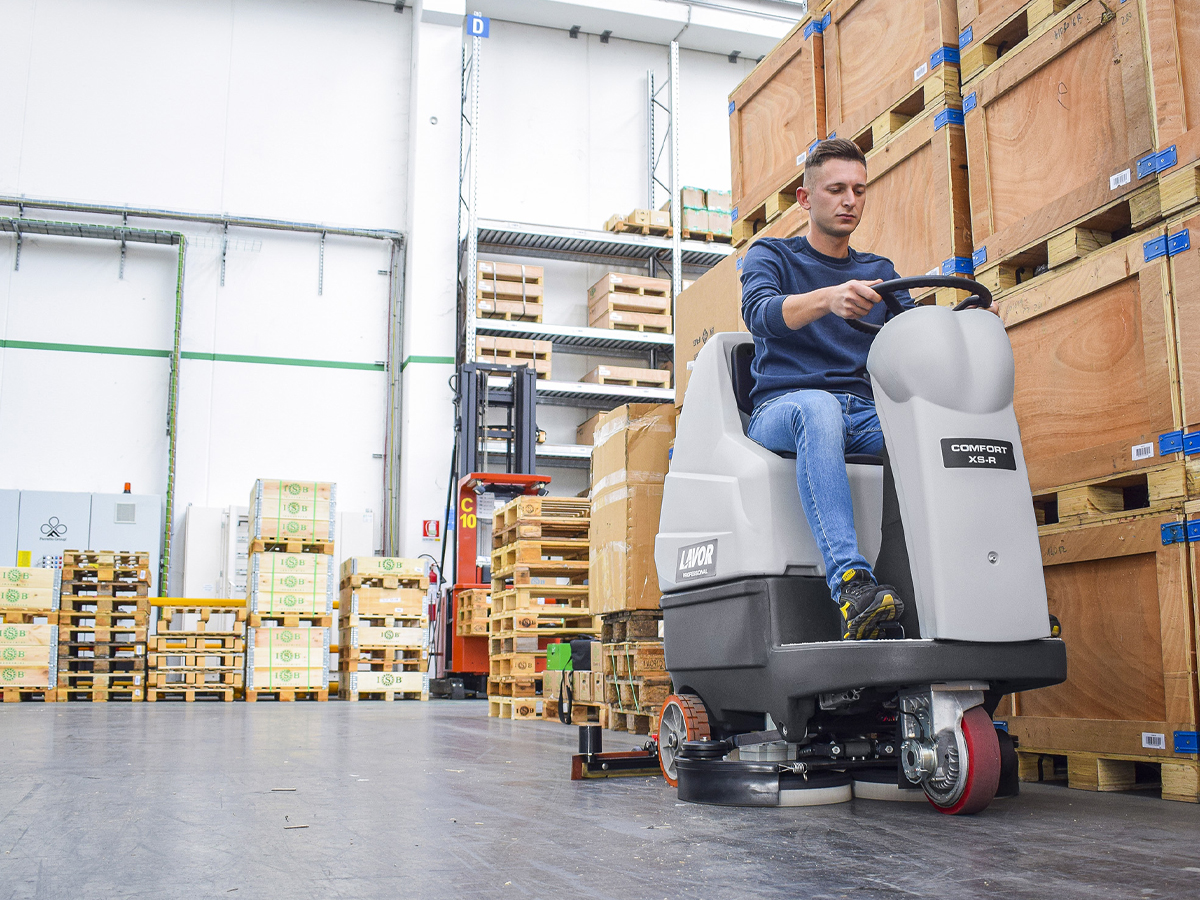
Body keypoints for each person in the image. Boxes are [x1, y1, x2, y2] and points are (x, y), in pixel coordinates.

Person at [739, 138, 912, 641]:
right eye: (836, 189)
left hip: (860, 414)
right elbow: (761, 314)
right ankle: (852, 585)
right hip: (782, 410)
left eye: (859, 190)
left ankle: (957, 580)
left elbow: (912, 329)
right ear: (805, 198)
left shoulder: (878, 272)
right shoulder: (770, 255)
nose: (850, 200)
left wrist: (964, 323)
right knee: (818, 409)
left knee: (927, 432)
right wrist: (827, 299)